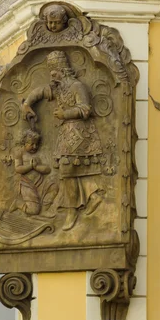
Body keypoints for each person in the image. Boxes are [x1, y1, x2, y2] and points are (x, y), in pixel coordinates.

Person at [22, 50, 103, 230]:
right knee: (68, 172)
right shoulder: (59, 87)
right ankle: (93, 196)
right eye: (50, 71)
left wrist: (64, 113)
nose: (51, 75)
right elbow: (41, 92)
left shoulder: (76, 86)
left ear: (63, 69)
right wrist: (27, 103)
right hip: (67, 133)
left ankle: (72, 211)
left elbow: (85, 109)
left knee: (67, 171)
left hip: (79, 133)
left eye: (54, 71)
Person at [11, 129, 58, 217]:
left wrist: (36, 167)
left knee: (54, 187)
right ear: (24, 143)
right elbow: (18, 169)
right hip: (26, 184)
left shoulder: (40, 153)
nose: (35, 146)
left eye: (36, 144)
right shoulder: (20, 153)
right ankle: (18, 204)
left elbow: (47, 170)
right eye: (31, 144)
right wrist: (30, 167)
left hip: (40, 182)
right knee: (34, 210)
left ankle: (44, 210)